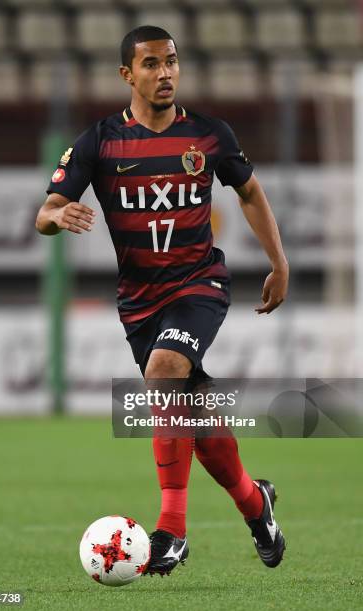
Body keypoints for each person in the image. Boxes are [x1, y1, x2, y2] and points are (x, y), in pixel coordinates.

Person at [35, 25, 289, 576]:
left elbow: (248, 191)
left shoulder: (208, 135)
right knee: (193, 412)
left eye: (171, 61)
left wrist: (279, 261)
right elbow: (46, 211)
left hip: (199, 283)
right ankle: (255, 504)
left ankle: (171, 530)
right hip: (140, 301)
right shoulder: (99, 141)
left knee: (165, 373)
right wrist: (60, 214)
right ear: (128, 75)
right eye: (151, 64)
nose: (165, 72)